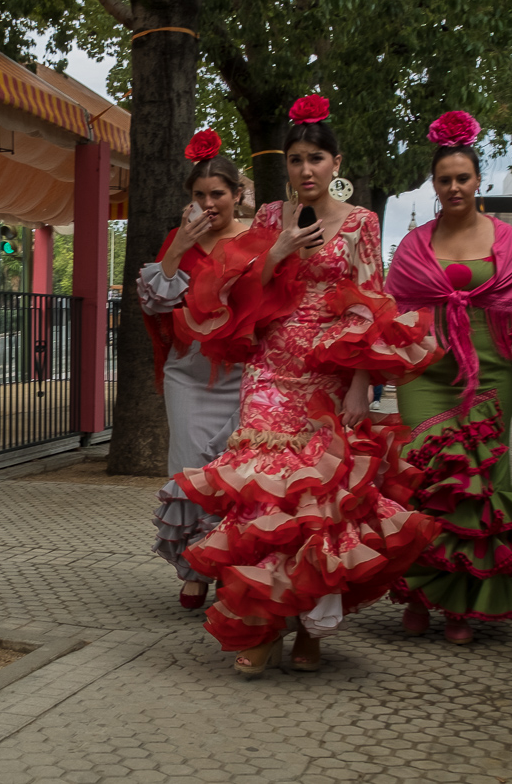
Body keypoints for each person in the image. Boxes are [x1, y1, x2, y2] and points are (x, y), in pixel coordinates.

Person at [172, 95, 441, 676]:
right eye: (295, 159)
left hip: (329, 369)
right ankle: (265, 625)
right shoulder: (272, 216)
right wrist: (279, 252)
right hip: (269, 365)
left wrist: (360, 384)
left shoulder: (362, 222)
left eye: (315, 158)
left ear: (335, 163)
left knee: (317, 500)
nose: (305, 169)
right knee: (264, 495)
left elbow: (371, 303)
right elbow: (241, 288)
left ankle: (311, 628)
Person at [385, 110, 512, 645]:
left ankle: (459, 605)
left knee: (477, 486)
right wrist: (364, 382)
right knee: (427, 479)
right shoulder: (414, 245)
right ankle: (421, 594)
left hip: (491, 376)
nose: (455, 187)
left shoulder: (507, 241)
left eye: (463, 177)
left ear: (479, 180)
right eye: (445, 179)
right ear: (434, 185)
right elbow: (390, 317)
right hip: (425, 376)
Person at [138, 129, 249, 609]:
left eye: (217, 193)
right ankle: (194, 570)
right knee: (190, 471)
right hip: (188, 373)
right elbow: (155, 301)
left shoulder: (258, 241)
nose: (208, 203)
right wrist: (179, 244)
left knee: (232, 473)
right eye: (199, 195)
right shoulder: (179, 240)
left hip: (243, 374)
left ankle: (226, 567)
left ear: (237, 195)